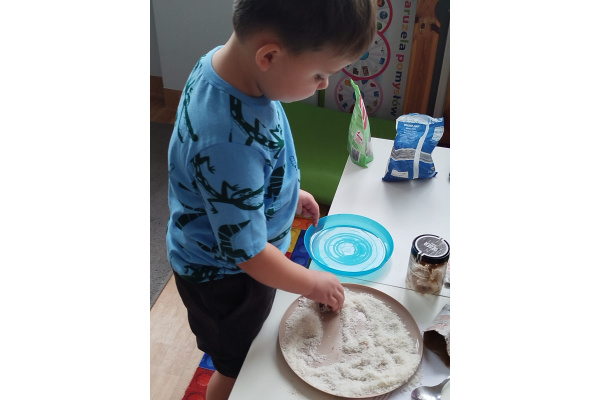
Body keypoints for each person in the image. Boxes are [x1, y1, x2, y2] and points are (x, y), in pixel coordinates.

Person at [166, 1, 377, 398]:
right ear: (269, 56)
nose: (324, 85)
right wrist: (310, 282)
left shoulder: (228, 69)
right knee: (239, 368)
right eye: (319, 74)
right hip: (226, 281)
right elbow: (248, 254)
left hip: (242, 260)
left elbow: (244, 175)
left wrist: (286, 193)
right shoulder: (227, 141)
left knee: (252, 349)